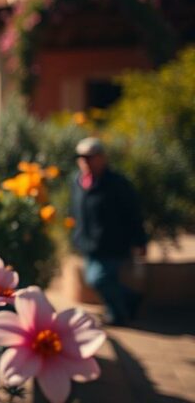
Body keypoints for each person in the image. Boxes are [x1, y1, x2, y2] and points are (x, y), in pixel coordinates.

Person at [69, 137, 147, 326]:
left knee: (99, 279)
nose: (86, 161)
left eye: (91, 157)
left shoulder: (117, 184)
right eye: (82, 157)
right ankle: (130, 300)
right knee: (95, 278)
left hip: (113, 243)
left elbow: (133, 213)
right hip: (88, 243)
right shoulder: (77, 182)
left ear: (102, 158)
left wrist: (140, 241)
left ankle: (118, 314)